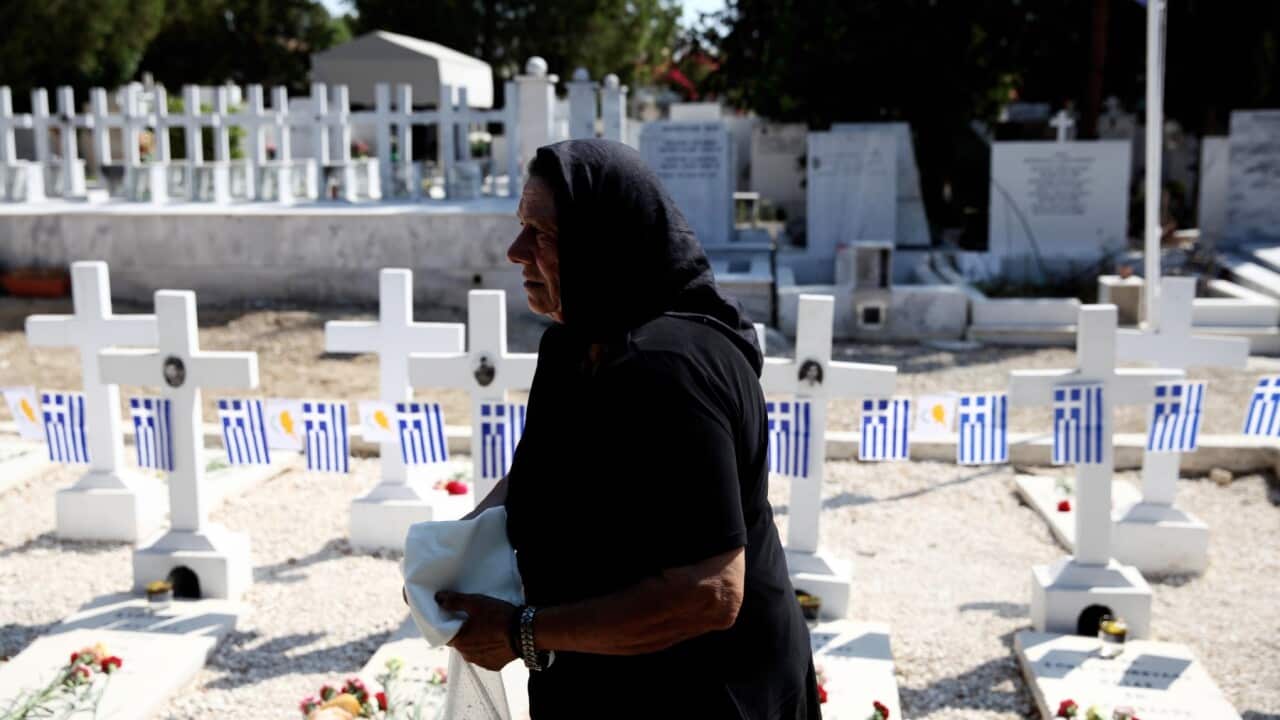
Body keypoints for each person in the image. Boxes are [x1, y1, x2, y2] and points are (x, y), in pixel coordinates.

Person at [433, 139, 820, 719]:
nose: (516, 252)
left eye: (541, 234)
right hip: (602, 673)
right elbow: (542, 467)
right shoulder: (572, 343)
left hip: (701, 691)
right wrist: (448, 555)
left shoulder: (672, 369)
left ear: (601, 243)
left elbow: (709, 594)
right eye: (521, 228)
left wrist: (522, 633)